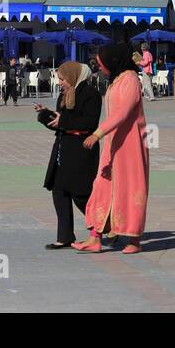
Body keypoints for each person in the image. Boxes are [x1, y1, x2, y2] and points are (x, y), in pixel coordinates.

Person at [76, 43, 150, 255]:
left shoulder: (130, 80)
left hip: (131, 144)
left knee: (130, 188)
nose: (99, 67)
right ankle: (95, 237)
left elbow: (124, 112)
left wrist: (97, 133)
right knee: (102, 184)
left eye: (101, 63)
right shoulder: (115, 80)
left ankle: (134, 239)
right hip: (112, 142)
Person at [36, 60, 102, 249]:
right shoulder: (65, 95)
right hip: (63, 148)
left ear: (73, 77)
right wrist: (45, 115)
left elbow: (89, 123)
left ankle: (103, 224)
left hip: (82, 150)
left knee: (81, 194)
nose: (60, 82)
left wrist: (62, 120)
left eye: (63, 79)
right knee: (59, 190)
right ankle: (65, 236)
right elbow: (61, 121)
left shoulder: (91, 95)